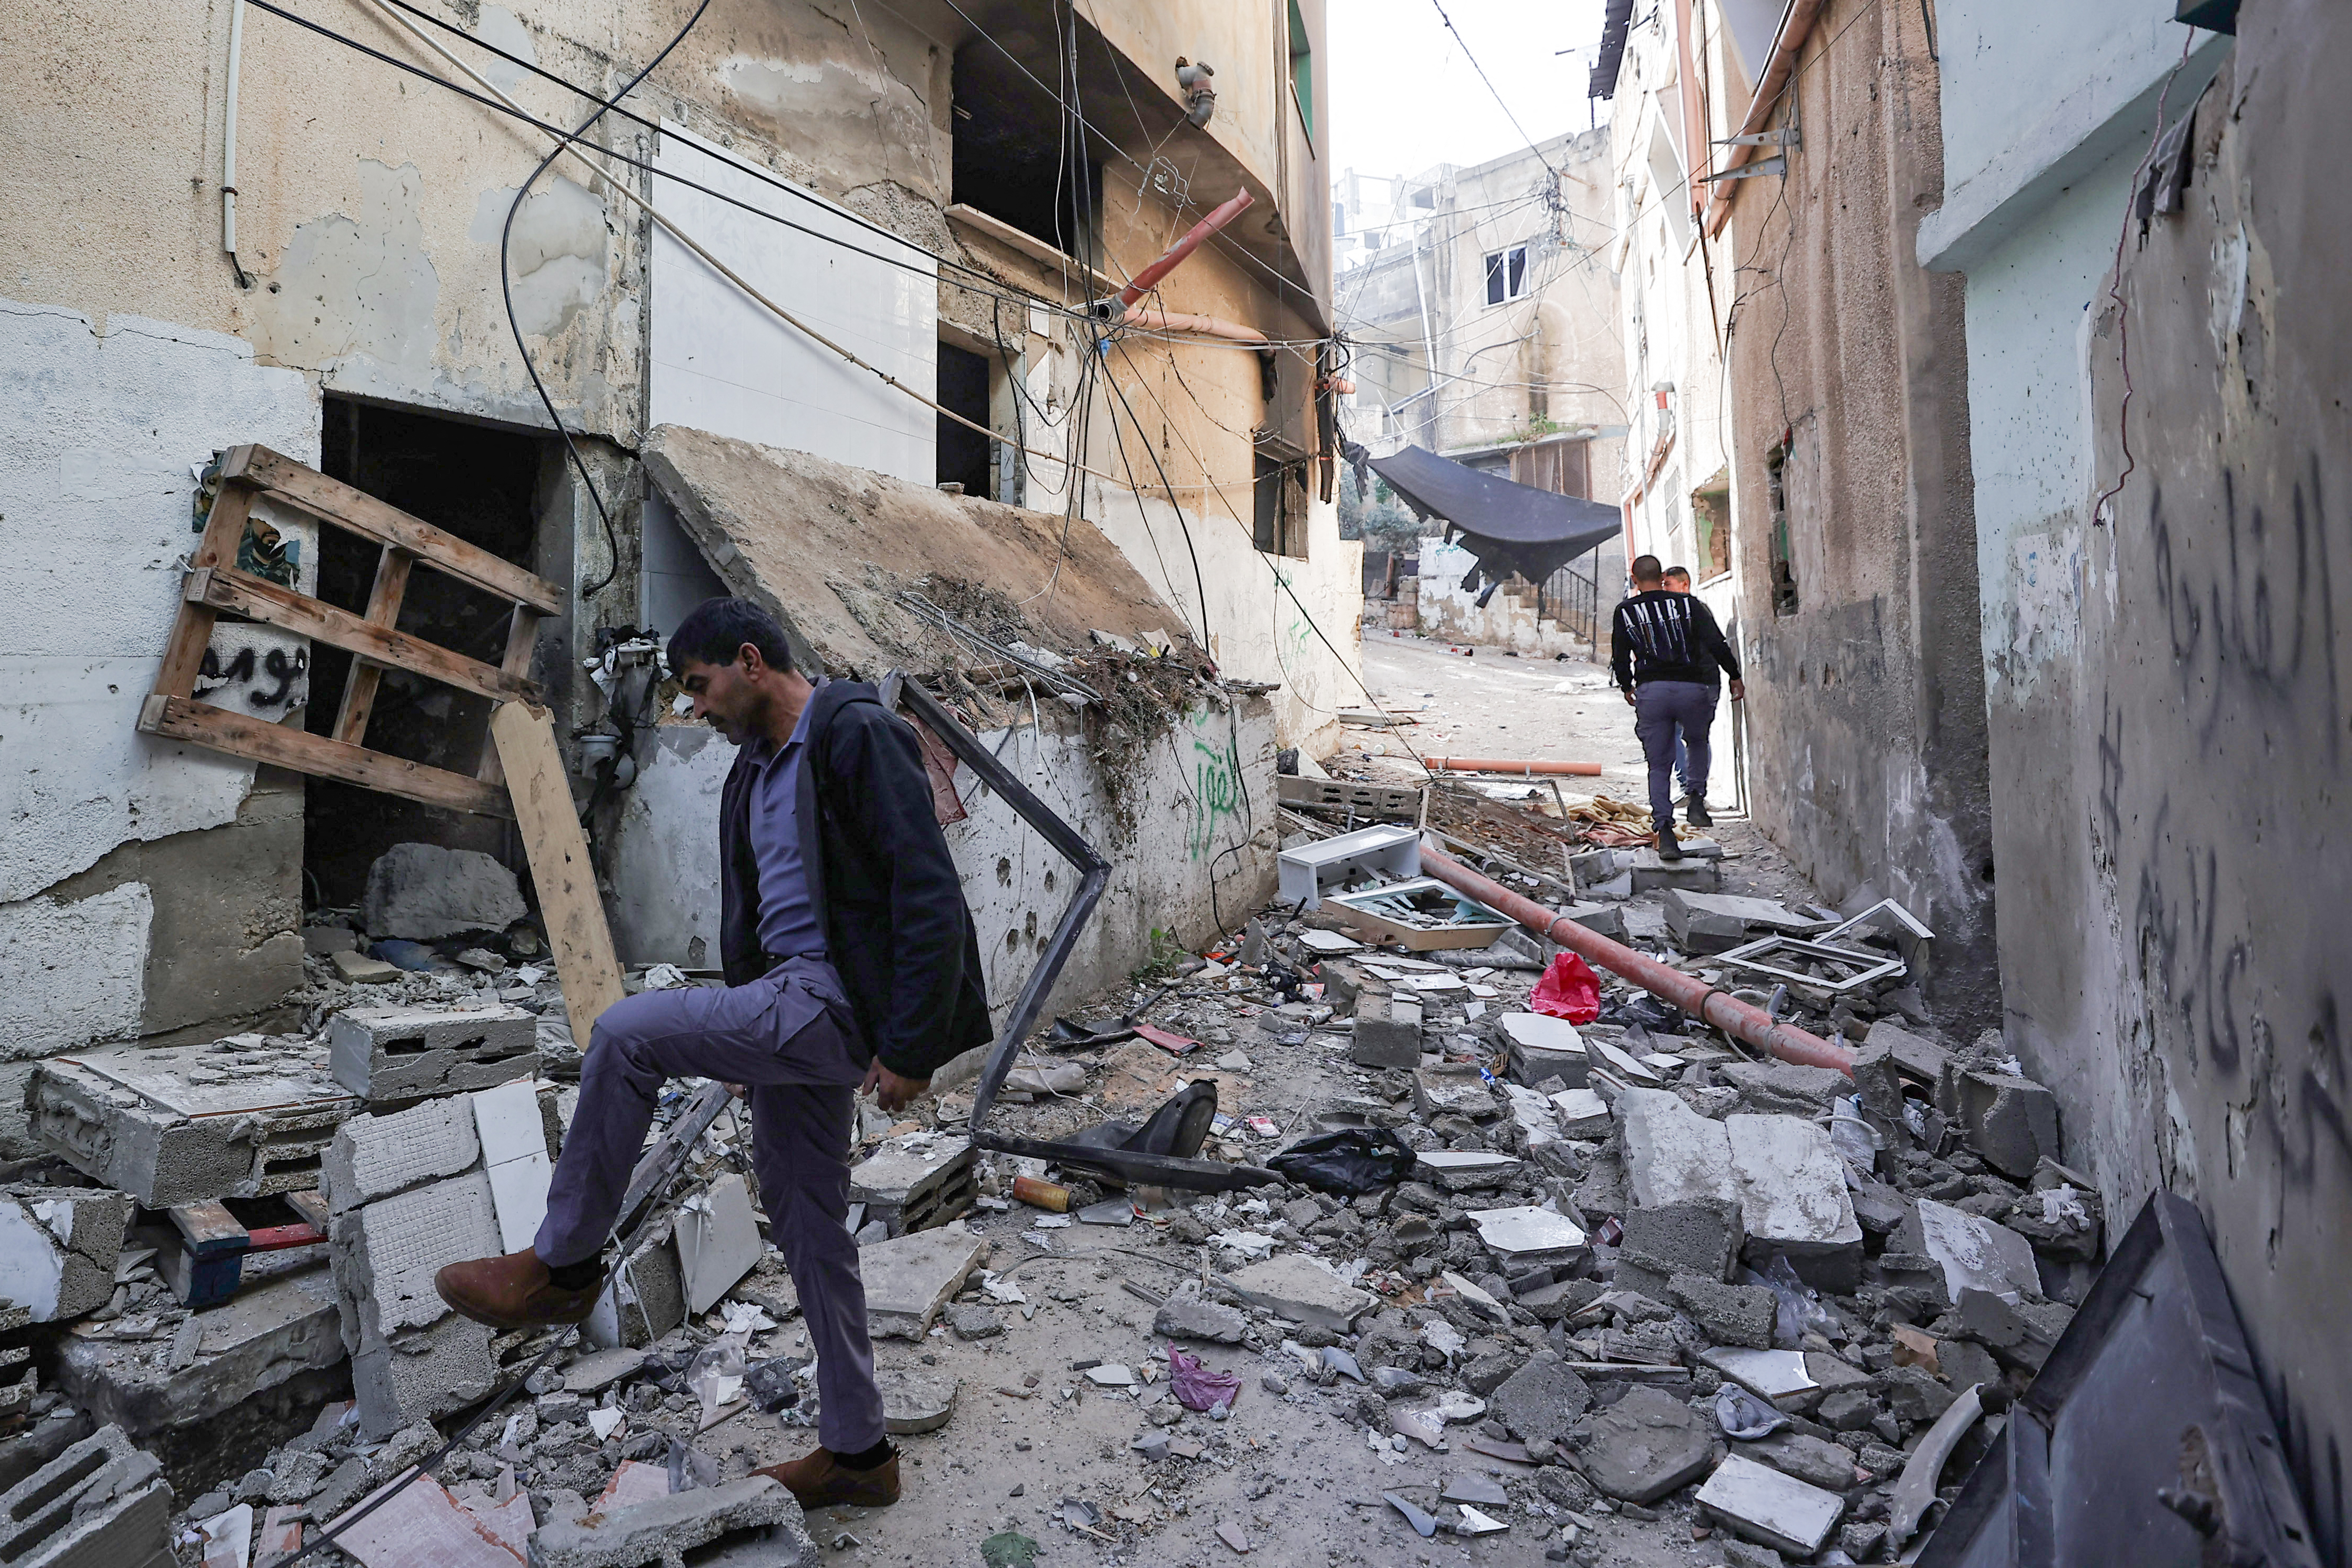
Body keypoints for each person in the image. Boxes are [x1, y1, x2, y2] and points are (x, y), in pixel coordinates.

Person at [434, 597, 992, 1511]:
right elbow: (754, 921)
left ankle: (561, 1268)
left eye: (699, 690)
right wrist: (740, 1037)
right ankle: (858, 1453)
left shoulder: (856, 735)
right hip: (786, 1009)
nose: (697, 711)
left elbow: (925, 892)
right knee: (809, 1226)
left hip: (835, 1005)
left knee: (621, 1031)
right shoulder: (749, 775)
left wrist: (912, 1046)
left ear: (750, 661)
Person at [1611, 555, 1744, 859]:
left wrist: (1626, 685)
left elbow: (1620, 653)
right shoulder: (1689, 605)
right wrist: (1734, 675)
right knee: (1696, 741)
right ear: (1661, 577)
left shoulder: (1626, 611)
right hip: (1693, 688)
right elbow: (1715, 642)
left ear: (1635, 580)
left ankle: (1666, 833)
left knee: (1658, 764)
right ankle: (1696, 799)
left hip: (1652, 692)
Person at [1660, 566, 1696, 799]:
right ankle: (1688, 785)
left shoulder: (1695, 612)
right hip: (1673, 684)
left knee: (1693, 737)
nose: (1664, 589)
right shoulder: (1667, 612)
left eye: (1668, 584)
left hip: (1691, 684)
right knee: (1675, 734)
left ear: (1684, 585)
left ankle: (1692, 787)